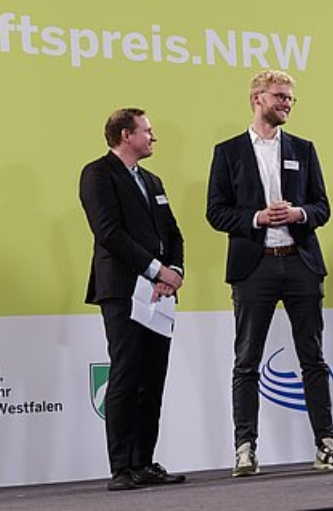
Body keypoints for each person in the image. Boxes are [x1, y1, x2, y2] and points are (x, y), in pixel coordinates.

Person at [206, 70, 333, 476]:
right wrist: (257, 218)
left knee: (313, 358)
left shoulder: (303, 149)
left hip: (301, 263)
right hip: (254, 268)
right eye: (280, 96)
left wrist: (298, 214)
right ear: (257, 98)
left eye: (290, 98)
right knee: (247, 361)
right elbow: (215, 211)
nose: (287, 103)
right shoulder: (228, 152)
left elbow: (322, 206)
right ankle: (245, 449)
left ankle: (326, 444)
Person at [79, 108, 186, 491]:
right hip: (123, 289)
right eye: (147, 130)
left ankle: (143, 462)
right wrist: (157, 270)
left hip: (159, 294)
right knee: (126, 375)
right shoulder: (98, 174)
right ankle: (122, 467)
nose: (153, 137)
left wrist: (175, 272)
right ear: (126, 134)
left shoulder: (153, 180)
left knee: (152, 378)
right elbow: (109, 233)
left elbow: (173, 232)